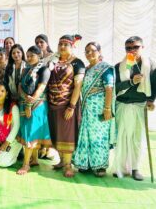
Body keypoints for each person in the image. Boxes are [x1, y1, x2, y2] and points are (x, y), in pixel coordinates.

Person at [112, 36, 156, 181]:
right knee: (122, 137)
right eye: (128, 48)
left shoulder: (150, 65)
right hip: (122, 105)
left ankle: (135, 168)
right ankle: (121, 168)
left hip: (140, 106)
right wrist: (131, 82)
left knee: (137, 139)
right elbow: (115, 88)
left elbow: (154, 85)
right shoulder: (120, 66)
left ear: (142, 47)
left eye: (135, 47)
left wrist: (151, 100)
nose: (132, 50)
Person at [72, 42, 115, 177]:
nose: (89, 53)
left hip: (100, 109)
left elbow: (109, 88)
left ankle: (100, 166)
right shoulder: (87, 69)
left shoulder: (104, 68)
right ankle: (86, 163)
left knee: (99, 137)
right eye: (87, 51)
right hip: (86, 109)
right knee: (86, 136)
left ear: (99, 51)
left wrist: (107, 108)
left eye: (92, 50)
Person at [47, 34, 85, 177]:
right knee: (56, 132)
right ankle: (62, 160)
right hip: (53, 104)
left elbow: (78, 86)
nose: (62, 47)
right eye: (60, 44)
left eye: (66, 44)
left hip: (67, 105)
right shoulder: (54, 62)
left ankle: (68, 165)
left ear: (72, 46)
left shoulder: (77, 63)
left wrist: (72, 106)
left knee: (67, 135)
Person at [17, 46, 52, 175]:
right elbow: (20, 86)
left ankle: (26, 165)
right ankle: (34, 160)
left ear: (39, 55)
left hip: (37, 105)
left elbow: (41, 88)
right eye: (28, 55)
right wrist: (24, 97)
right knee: (28, 131)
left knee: (30, 133)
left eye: (32, 55)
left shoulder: (45, 69)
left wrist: (29, 102)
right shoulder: (26, 70)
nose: (29, 58)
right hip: (25, 102)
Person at [0, 82, 22, 167]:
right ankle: (3, 154)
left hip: (12, 141)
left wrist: (7, 142)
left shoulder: (13, 107)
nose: (0, 93)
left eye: (2, 91)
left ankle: (15, 153)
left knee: (2, 163)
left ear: (6, 93)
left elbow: (16, 126)